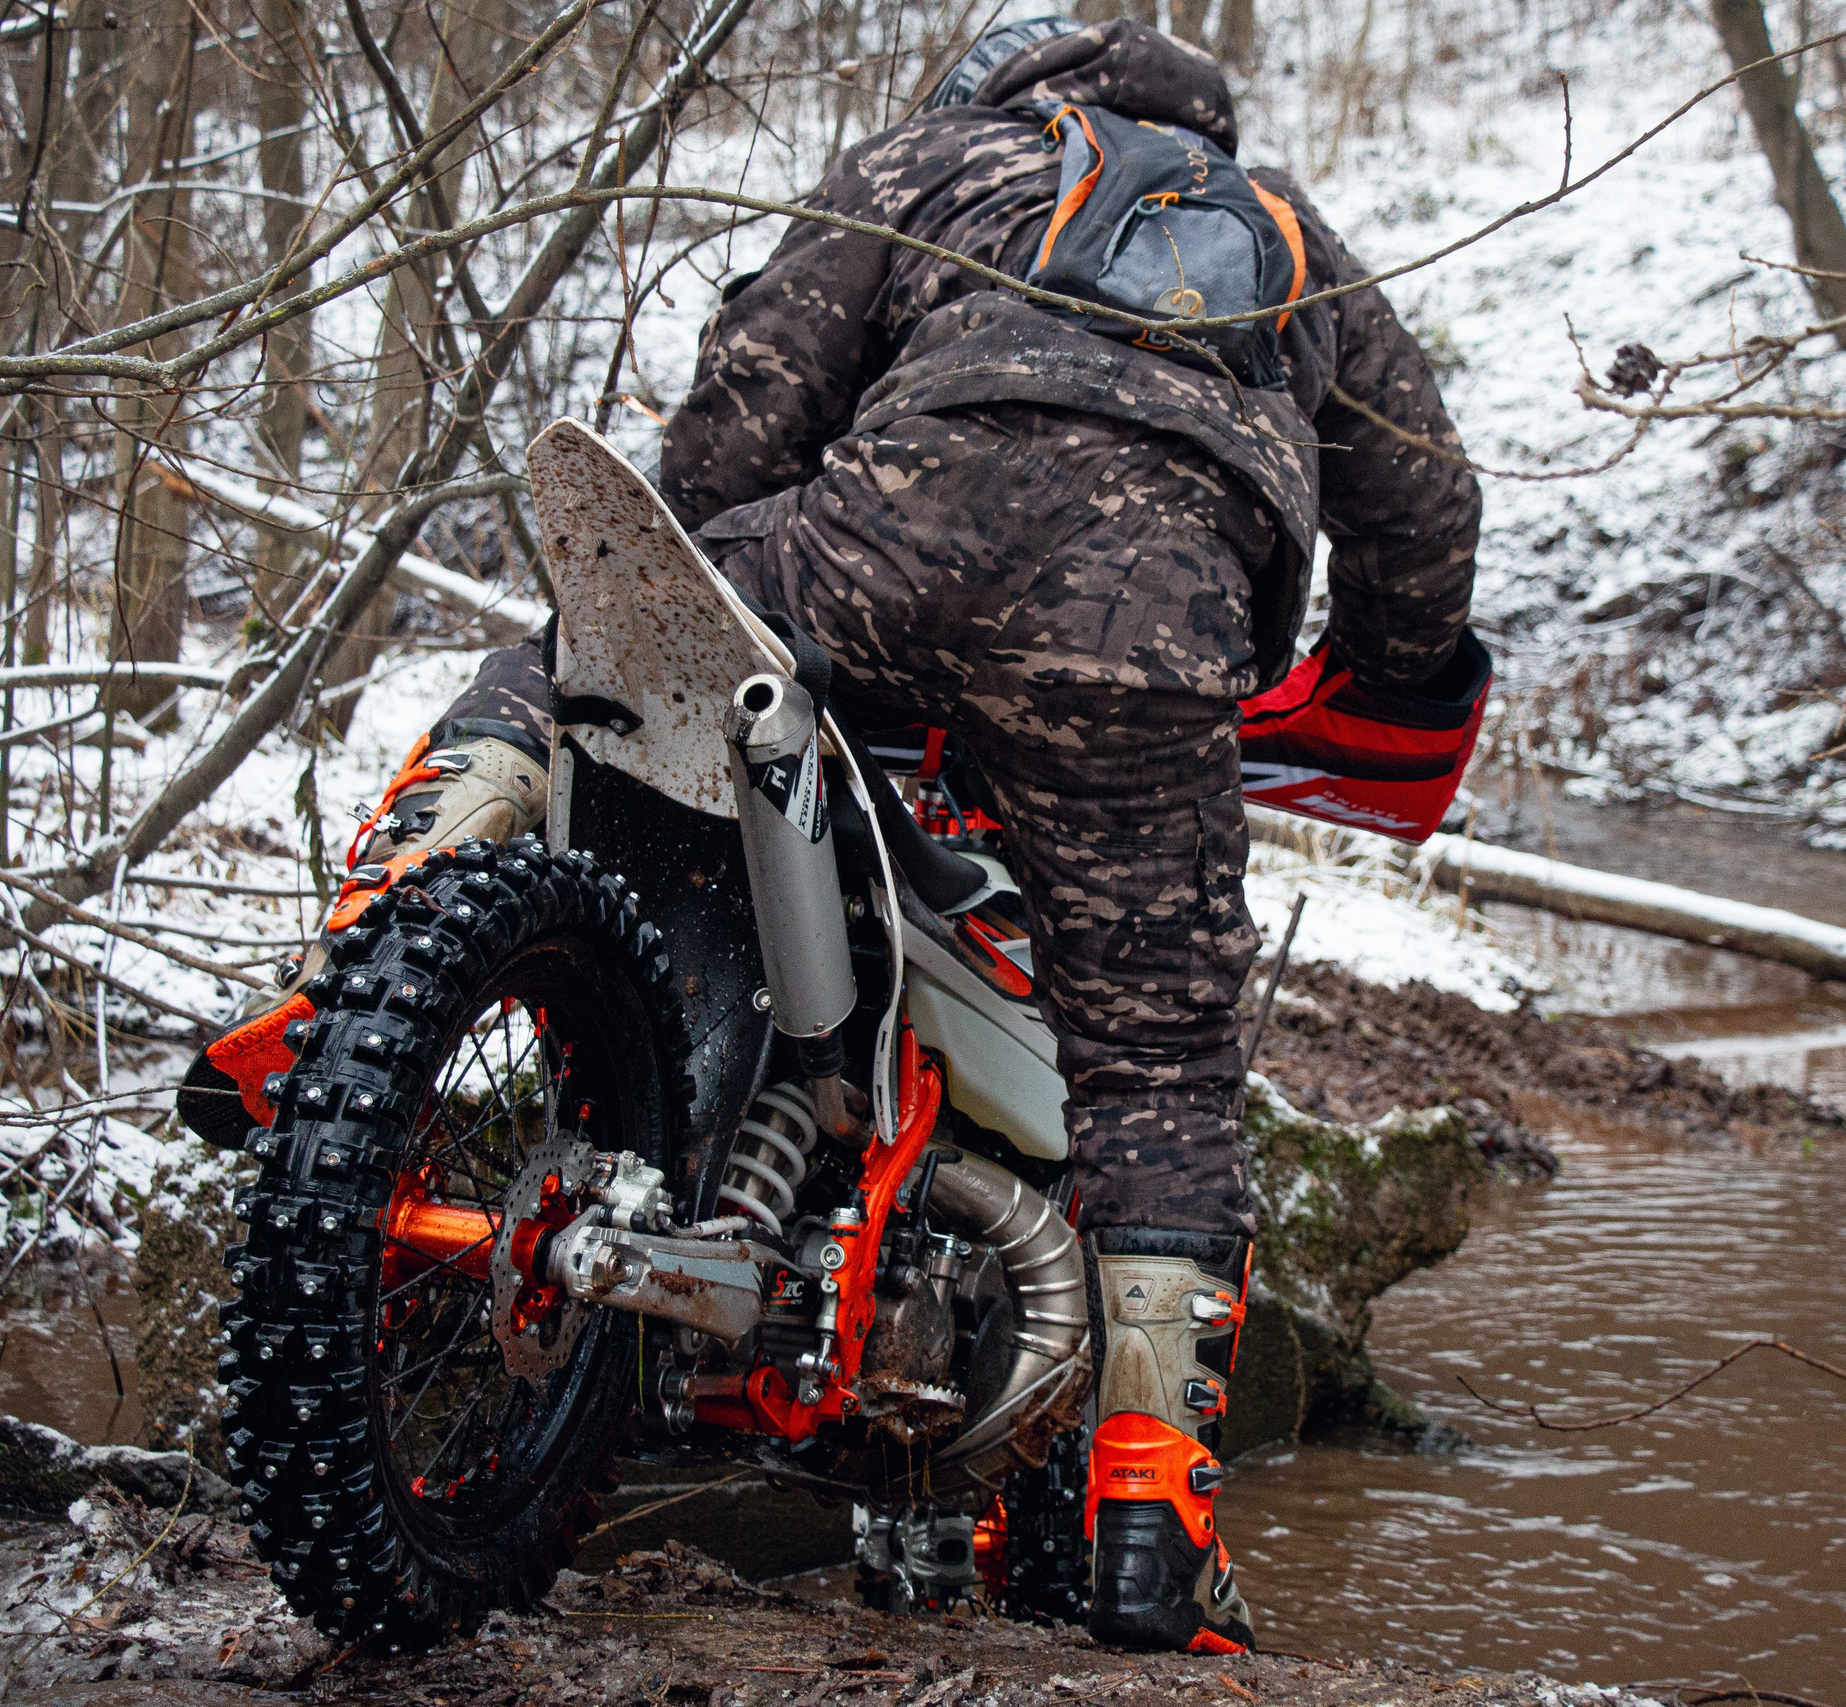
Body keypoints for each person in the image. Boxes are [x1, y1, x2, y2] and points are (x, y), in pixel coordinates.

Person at [183, 16, 1480, 1655]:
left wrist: (714, 560)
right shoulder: (1297, 243)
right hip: (1152, 636)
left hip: (884, 546)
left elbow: (742, 417)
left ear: (1011, 92)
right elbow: (1427, 512)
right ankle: (1153, 1504)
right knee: (1159, 1060)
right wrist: (1388, 678)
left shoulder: (933, 159)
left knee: (559, 675)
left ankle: (344, 971)